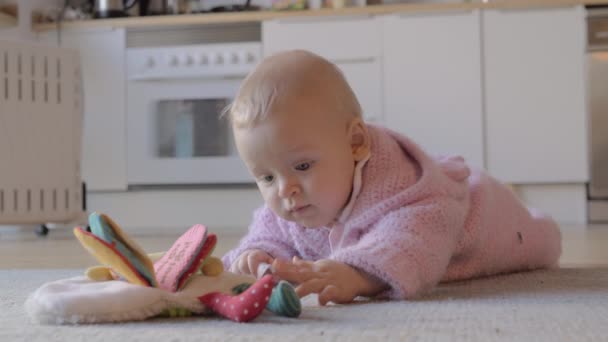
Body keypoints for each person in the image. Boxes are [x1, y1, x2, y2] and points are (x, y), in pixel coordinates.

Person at [221, 50, 561, 306]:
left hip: (485, 216)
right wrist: (254, 255)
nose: (285, 190)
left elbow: (412, 240)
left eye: (303, 167)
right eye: (266, 177)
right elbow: (269, 231)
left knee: (537, 240)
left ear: (355, 143)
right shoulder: (294, 197)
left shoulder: (408, 192)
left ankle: (537, 222)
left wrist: (357, 273)